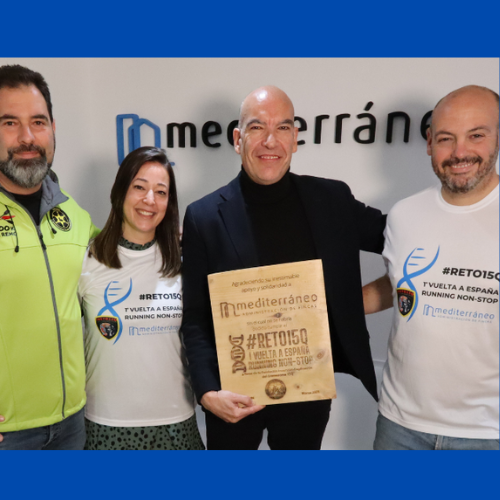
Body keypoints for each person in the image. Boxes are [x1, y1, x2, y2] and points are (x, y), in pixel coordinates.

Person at [181, 85, 386, 449]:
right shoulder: (203, 216)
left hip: (307, 390)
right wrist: (207, 391)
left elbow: (402, 240)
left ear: (295, 139)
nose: (270, 141)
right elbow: (195, 315)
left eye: (283, 128)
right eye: (257, 127)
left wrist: (362, 300)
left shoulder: (332, 200)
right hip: (233, 392)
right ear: (238, 139)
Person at [363, 85, 499, 450]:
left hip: (487, 434)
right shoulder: (404, 214)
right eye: (445, 138)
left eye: (476, 135)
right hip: (399, 425)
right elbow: (400, 284)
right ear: (429, 143)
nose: (459, 152)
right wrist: (319, 306)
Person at [78, 146, 204, 450]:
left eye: (161, 192)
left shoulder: (184, 262)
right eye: (139, 187)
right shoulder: (86, 257)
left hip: (176, 425)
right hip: (106, 425)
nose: (150, 200)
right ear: (120, 191)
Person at [0, 64, 98, 449]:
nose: (27, 137)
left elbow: (124, 262)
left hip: (73, 424)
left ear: (53, 128)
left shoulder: (74, 215)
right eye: (10, 123)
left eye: (38, 122)